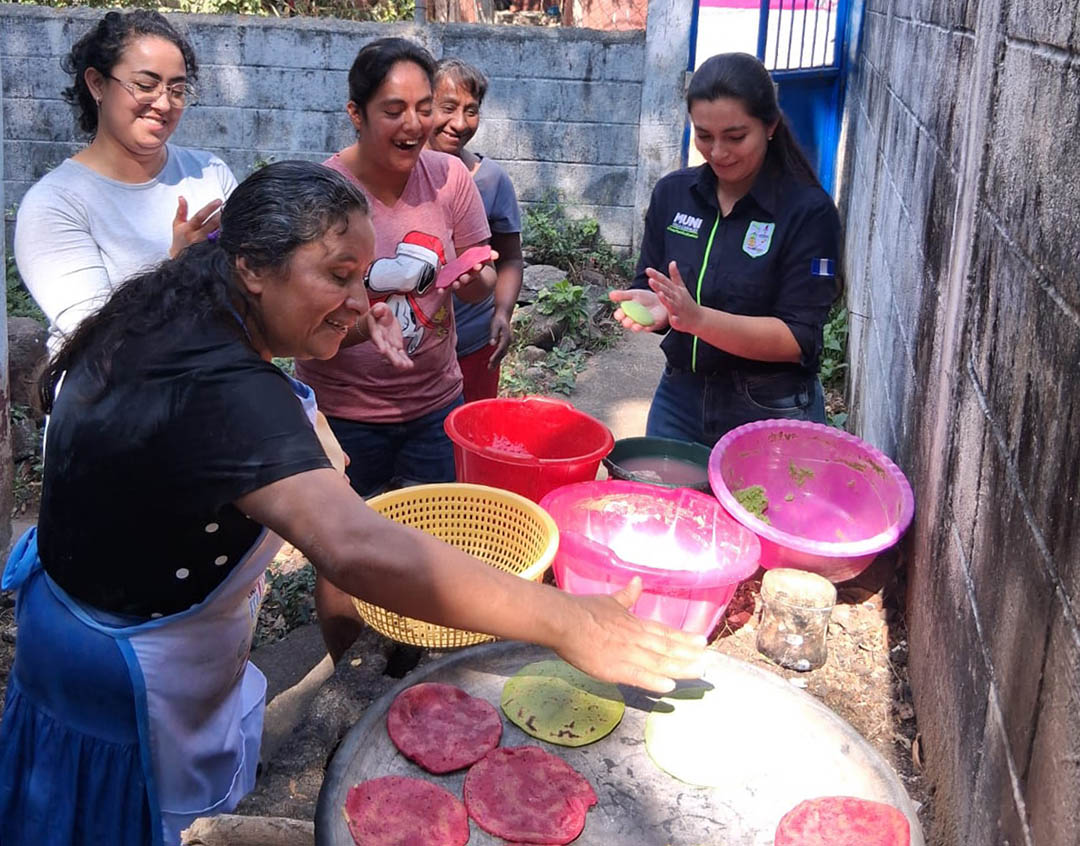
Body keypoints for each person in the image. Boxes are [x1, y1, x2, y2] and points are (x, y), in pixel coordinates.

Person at [0, 161, 706, 846]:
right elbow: (356, 546)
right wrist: (567, 619)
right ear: (251, 266)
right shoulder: (222, 388)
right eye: (337, 276)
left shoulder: (181, 311)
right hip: (122, 676)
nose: (361, 302)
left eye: (362, 279)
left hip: (124, 629)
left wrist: (340, 316)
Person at [295, 37, 498, 662]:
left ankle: (415, 667)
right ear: (356, 114)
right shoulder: (323, 193)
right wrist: (362, 325)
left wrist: (475, 280)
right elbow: (302, 318)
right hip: (344, 412)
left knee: (430, 550)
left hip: (434, 406)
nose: (415, 124)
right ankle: (350, 677)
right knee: (344, 558)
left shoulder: (450, 177)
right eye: (393, 110)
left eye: (424, 107)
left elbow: (482, 276)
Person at [610, 52, 842, 446]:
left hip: (772, 406)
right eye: (704, 135)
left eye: (735, 137)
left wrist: (698, 319)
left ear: (770, 125)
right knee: (660, 490)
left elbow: (797, 339)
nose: (717, 152)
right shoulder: (673, 194)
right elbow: (651, 282)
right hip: (679, 399)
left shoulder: (808, 212)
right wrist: (660, 308)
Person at [14, 10, 236, 352]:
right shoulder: (54, 204)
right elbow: (99, 338)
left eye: (177, 90)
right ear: (97, 84)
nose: (164, 103)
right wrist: (181, 268)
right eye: (145, 86)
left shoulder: (209, 172)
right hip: (118, 384)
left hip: (217, 376)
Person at [427, 57, 525, 401]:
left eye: (471, 110)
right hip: (408, 350)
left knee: (470, 429)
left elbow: (510, 258)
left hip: (472, 345)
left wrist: (503, 312)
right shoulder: (397, 176)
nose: (459, 123)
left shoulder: (491, 179)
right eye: (447, 108)